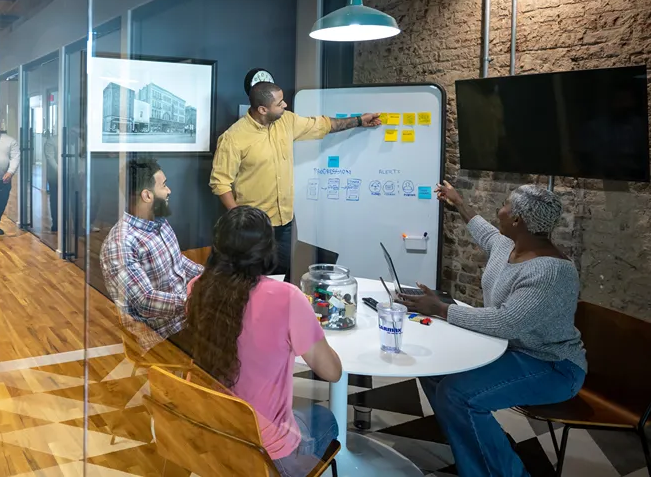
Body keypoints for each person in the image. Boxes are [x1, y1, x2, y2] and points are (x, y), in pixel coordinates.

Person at [401, 181, 587, 477]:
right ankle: (478, 442)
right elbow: (483, 230)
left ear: (518, 220)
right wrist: (458, 202)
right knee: (435, 368)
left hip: (551, 364)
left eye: (504, 205)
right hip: (509, 350)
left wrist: (440, 308)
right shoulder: (509, 245)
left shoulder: (550, 272)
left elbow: (506, 322)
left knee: (458, 393)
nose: (497, 210)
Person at [187, 206, 342, 476]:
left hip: (211, 433)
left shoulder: (198, 287)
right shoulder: (288, 298)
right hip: (268, 454)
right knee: (324, 419)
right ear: (267, 249)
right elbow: (332, 372)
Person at [210, 81, 380, 280]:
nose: (285, 106)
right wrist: (240, 218)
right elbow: (220, 182)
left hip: (286, 221)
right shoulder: (233, 138)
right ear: (263, 109)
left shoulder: (286, 121)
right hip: (254, 226)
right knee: (254, 280)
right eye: (280, 103)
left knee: (282, 277)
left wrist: (360, 120)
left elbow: (323, 125)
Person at [100, 157, 203, 351]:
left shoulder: (158, 221)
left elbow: (177, 262)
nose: (169, 190)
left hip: (185, 318)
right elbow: (146, 302)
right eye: (164, 185)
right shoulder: (121, 245)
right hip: (162, 336)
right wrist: (196, 302)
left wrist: (213, 277)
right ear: (147, 195)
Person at [43, 129, 58, 232]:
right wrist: (60, 171)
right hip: (55, 177)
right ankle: (56, 223)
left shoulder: (78, 140)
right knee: (55, 199)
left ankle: (77, 226)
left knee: (74, 201)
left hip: (73, 176)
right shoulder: (52, 141)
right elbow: (50, 159)